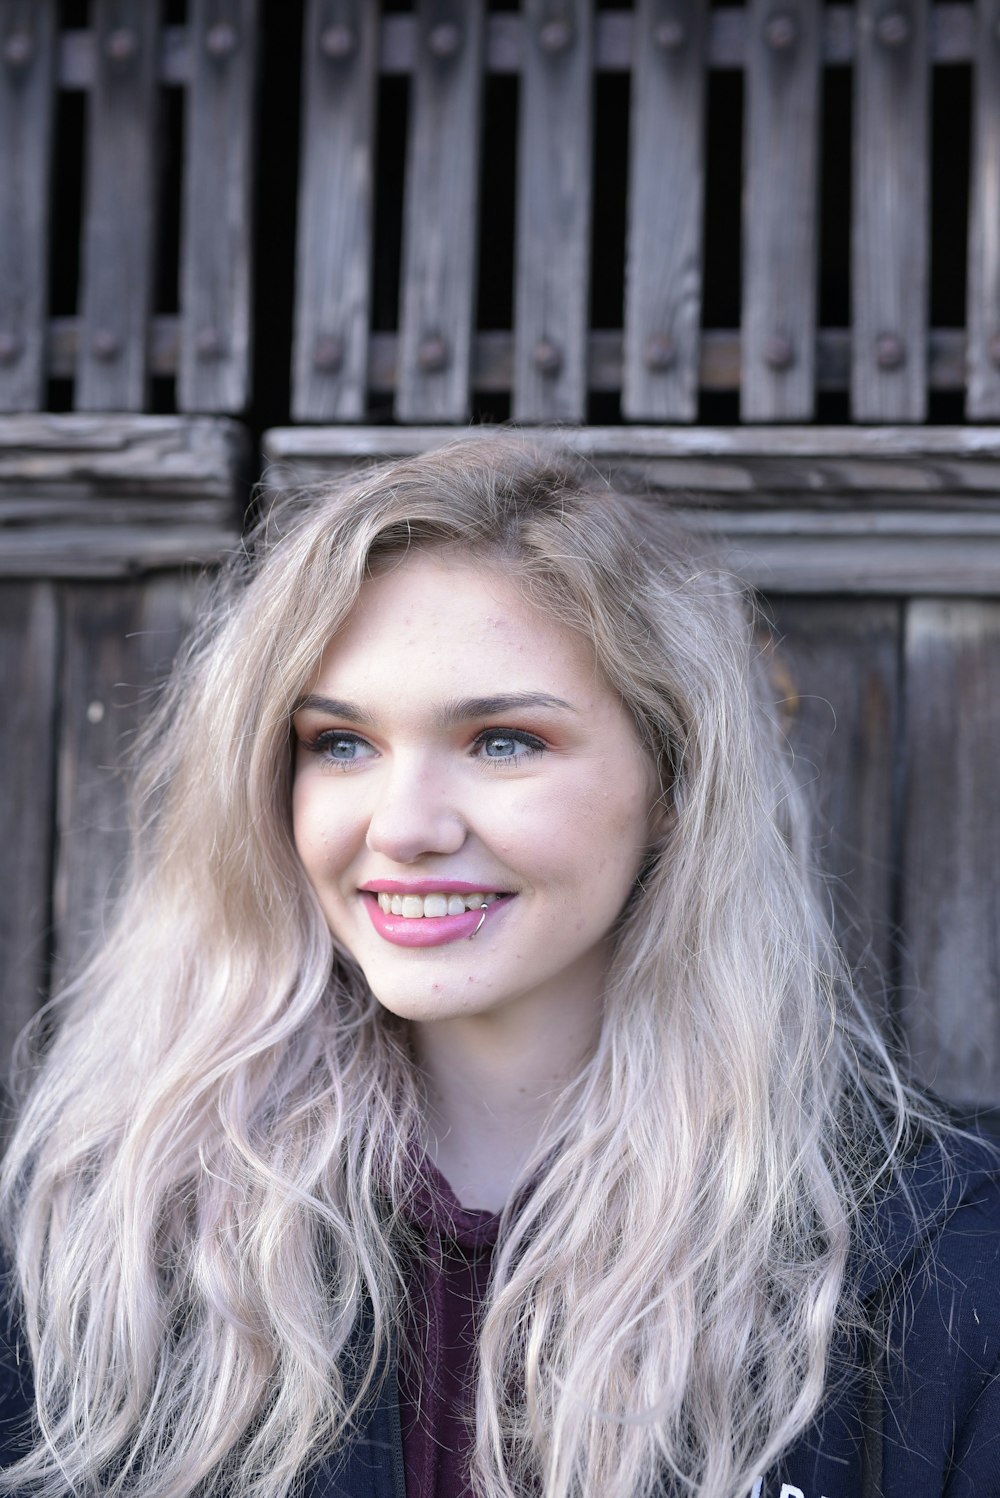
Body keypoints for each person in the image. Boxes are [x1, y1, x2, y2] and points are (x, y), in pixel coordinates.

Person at [0, 435, 997, 1498]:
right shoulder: (94, 1241)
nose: (405, 826)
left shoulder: (937, 1259)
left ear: (674, 780)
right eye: (340, 743)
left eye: (503, 740)